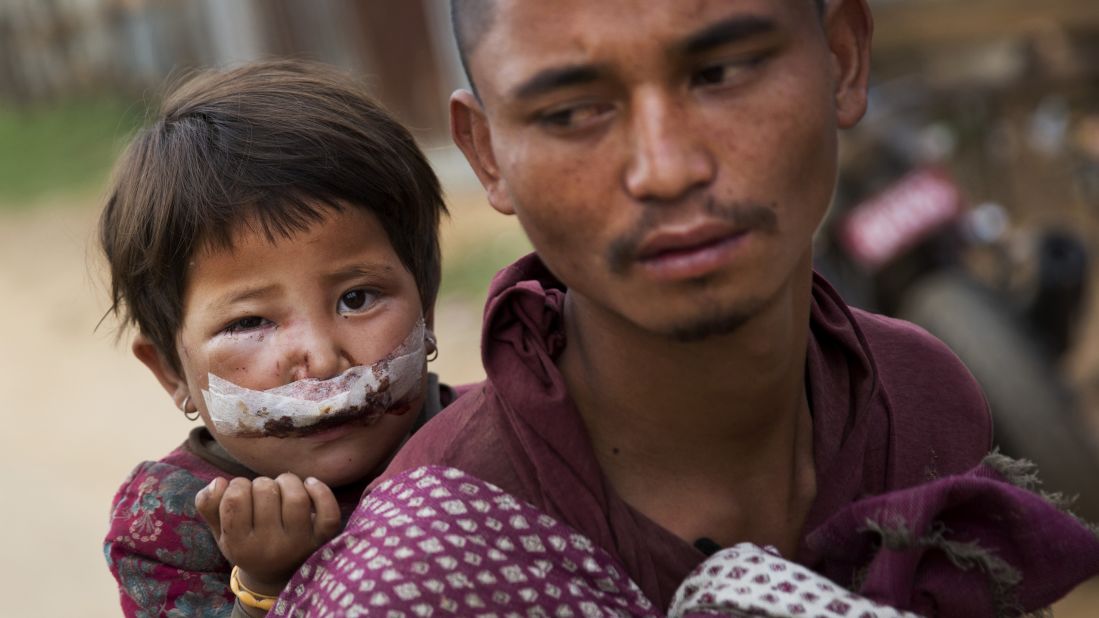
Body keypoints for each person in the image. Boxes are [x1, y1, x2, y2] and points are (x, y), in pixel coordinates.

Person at [271, 1, 1099, 615]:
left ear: (844, 57)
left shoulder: (922, 398)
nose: (665, 169)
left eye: (721, 71)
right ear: (487, 153)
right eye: (571, 112)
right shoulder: (431, 561)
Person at [100, 60, 452, 617]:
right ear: (171, 372)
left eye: (356, 299)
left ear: (425, 306)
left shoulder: (491, 441)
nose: (319, 357)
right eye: (248, 323)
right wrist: (266, 583)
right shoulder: (170, 524)